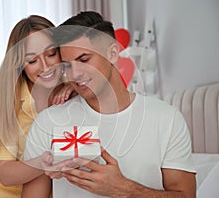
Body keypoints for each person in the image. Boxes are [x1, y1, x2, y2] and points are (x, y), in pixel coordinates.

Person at [22, 11, 196, 198]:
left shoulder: (166, 119)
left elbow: (186, 195)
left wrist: (126, 190)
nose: (75, 74)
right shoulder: (48, 123)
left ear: (112, 53)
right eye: (67, 66)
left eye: (84, 60)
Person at [0, 15, 74, 197]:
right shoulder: (9, 103)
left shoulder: (70, 87)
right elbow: (6, 174)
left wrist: (74, 86)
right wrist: (46, 161)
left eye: (51, 54)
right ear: (20, 65)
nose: (46, 67)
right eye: (32, 61)